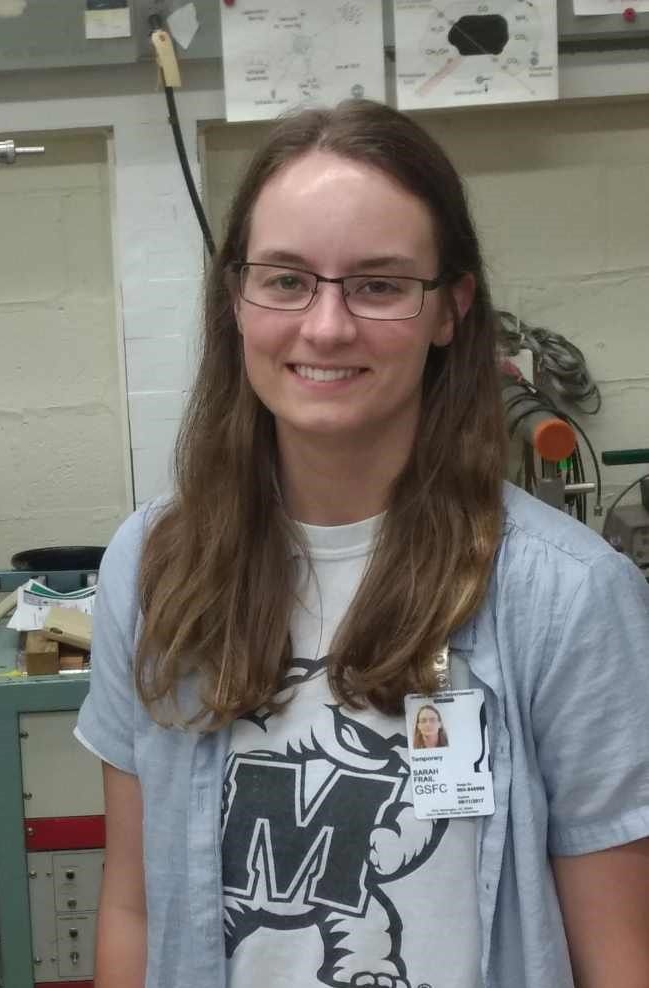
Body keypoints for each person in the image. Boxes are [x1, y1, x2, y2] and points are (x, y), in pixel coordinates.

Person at [75, 100, 649, 988]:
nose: (328, 326)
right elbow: (134, 906)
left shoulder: (565, 595)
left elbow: (619, 954)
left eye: (379, 284)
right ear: (236, 297)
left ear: (451, 308)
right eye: (287, 279)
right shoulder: (154, 566)